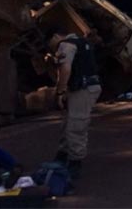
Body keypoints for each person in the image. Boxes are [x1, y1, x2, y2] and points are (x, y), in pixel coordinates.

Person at [49, 30, 102, 180]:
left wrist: (60, 91)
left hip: (82, 89)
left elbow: (65, 69)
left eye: (51, 43)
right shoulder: (82, 42)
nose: (53, 47)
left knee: (76, 125)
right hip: (87, 86)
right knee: (68, 123)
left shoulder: (66, 45)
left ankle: (74, 163)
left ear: (55, 36)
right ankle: (63, 154)